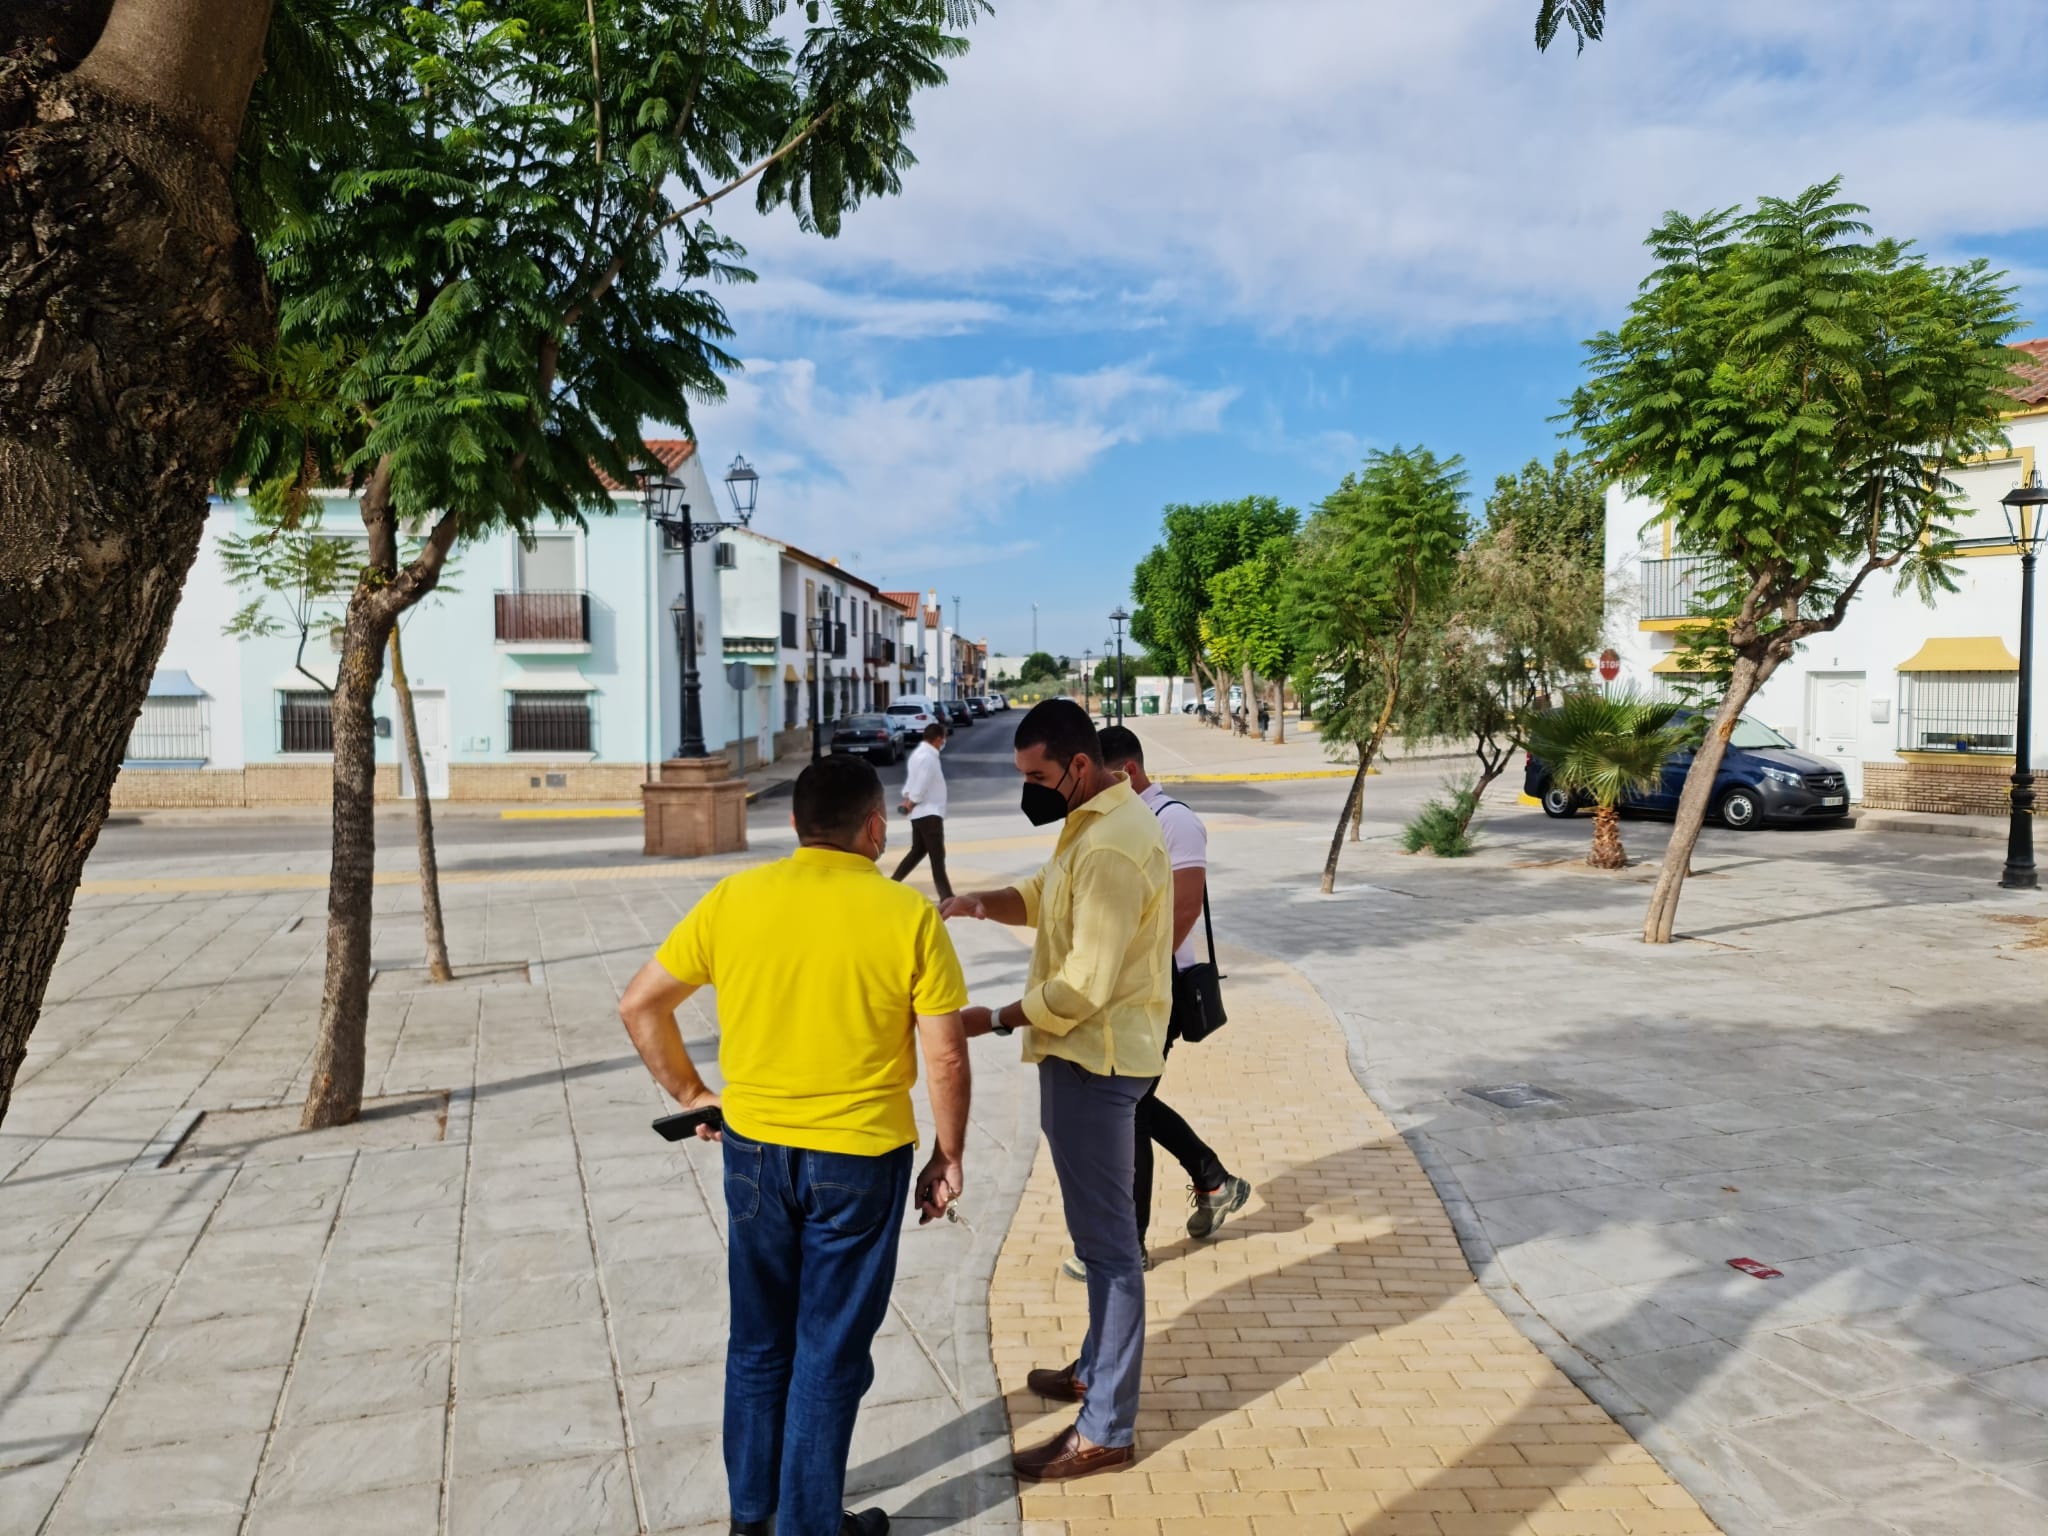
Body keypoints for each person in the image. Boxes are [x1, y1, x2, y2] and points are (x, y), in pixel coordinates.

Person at [618, 756, 971, 1536]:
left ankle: (753, 1515)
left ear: (795, 826)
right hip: (859, 1160)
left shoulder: (735, 898)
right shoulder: (906, 915)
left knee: (757, 1340)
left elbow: (641, 1005)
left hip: (752, 1152)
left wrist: (692, 1095)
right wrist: (948, 1154)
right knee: (829, 1349)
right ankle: (808, 1527)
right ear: (876, 829)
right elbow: (945, 1054)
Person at [940, 699, 1170, 1483]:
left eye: (1037, 777)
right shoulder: (1093, 822)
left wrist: (994, 1017)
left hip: (1093, 1061)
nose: (1029, 790)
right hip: (1089, 1059)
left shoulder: (1110, 845)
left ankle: (1106, 1427)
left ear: (1077, 766)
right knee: (1098, 1242)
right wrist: (979, 903)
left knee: (1109, 1254)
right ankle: (1090, 1371)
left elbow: (1084, 984)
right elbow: (1043, 895)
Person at [1089, 726, 1249, 1271]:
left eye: (1102, 783)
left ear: (1127, 773)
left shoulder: (1173, 820)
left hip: (1159, 988)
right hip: (1126, 988)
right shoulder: (1123, 821)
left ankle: (1127, 1246)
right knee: (1129, 1101)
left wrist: (1134, 978)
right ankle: (1212, 1179)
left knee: (1126, 1106)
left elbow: (1182, 912)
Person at [891, 722, 951, 899]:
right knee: (937, 856)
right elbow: (920, 785)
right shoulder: (928, 758)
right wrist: (911, 802)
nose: (944, 741)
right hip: (929, 813)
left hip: (919, 814)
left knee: (918, 851)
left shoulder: (918, 754)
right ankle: (946, 896)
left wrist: (908, 799)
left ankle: (893, 883)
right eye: (943, 738)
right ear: (938, 739)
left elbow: (911, 783)